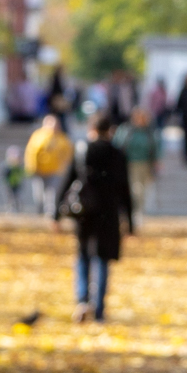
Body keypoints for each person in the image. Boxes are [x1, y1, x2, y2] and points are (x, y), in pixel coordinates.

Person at [54, 111, 137, 322]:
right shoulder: (118, 154)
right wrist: (130, 222)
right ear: (110, 131)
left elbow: (66, 183)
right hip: (108, 214)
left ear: (91, 129)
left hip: (84, 213)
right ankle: (99, 309)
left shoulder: (82, 151)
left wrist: (56, 214)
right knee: (102, 258)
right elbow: (125, 190)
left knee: (82, 255)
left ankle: (82, 300)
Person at [22, 109, 75, 215]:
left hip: (55, 171)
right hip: (39, 170)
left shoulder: (62, 138)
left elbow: (68, 153)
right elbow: (31, 152)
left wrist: (64, 166)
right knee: (39, 194)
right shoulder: (38, 136)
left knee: (52, 194)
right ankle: (39, 212)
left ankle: (50, 214)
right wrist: (31, 167)